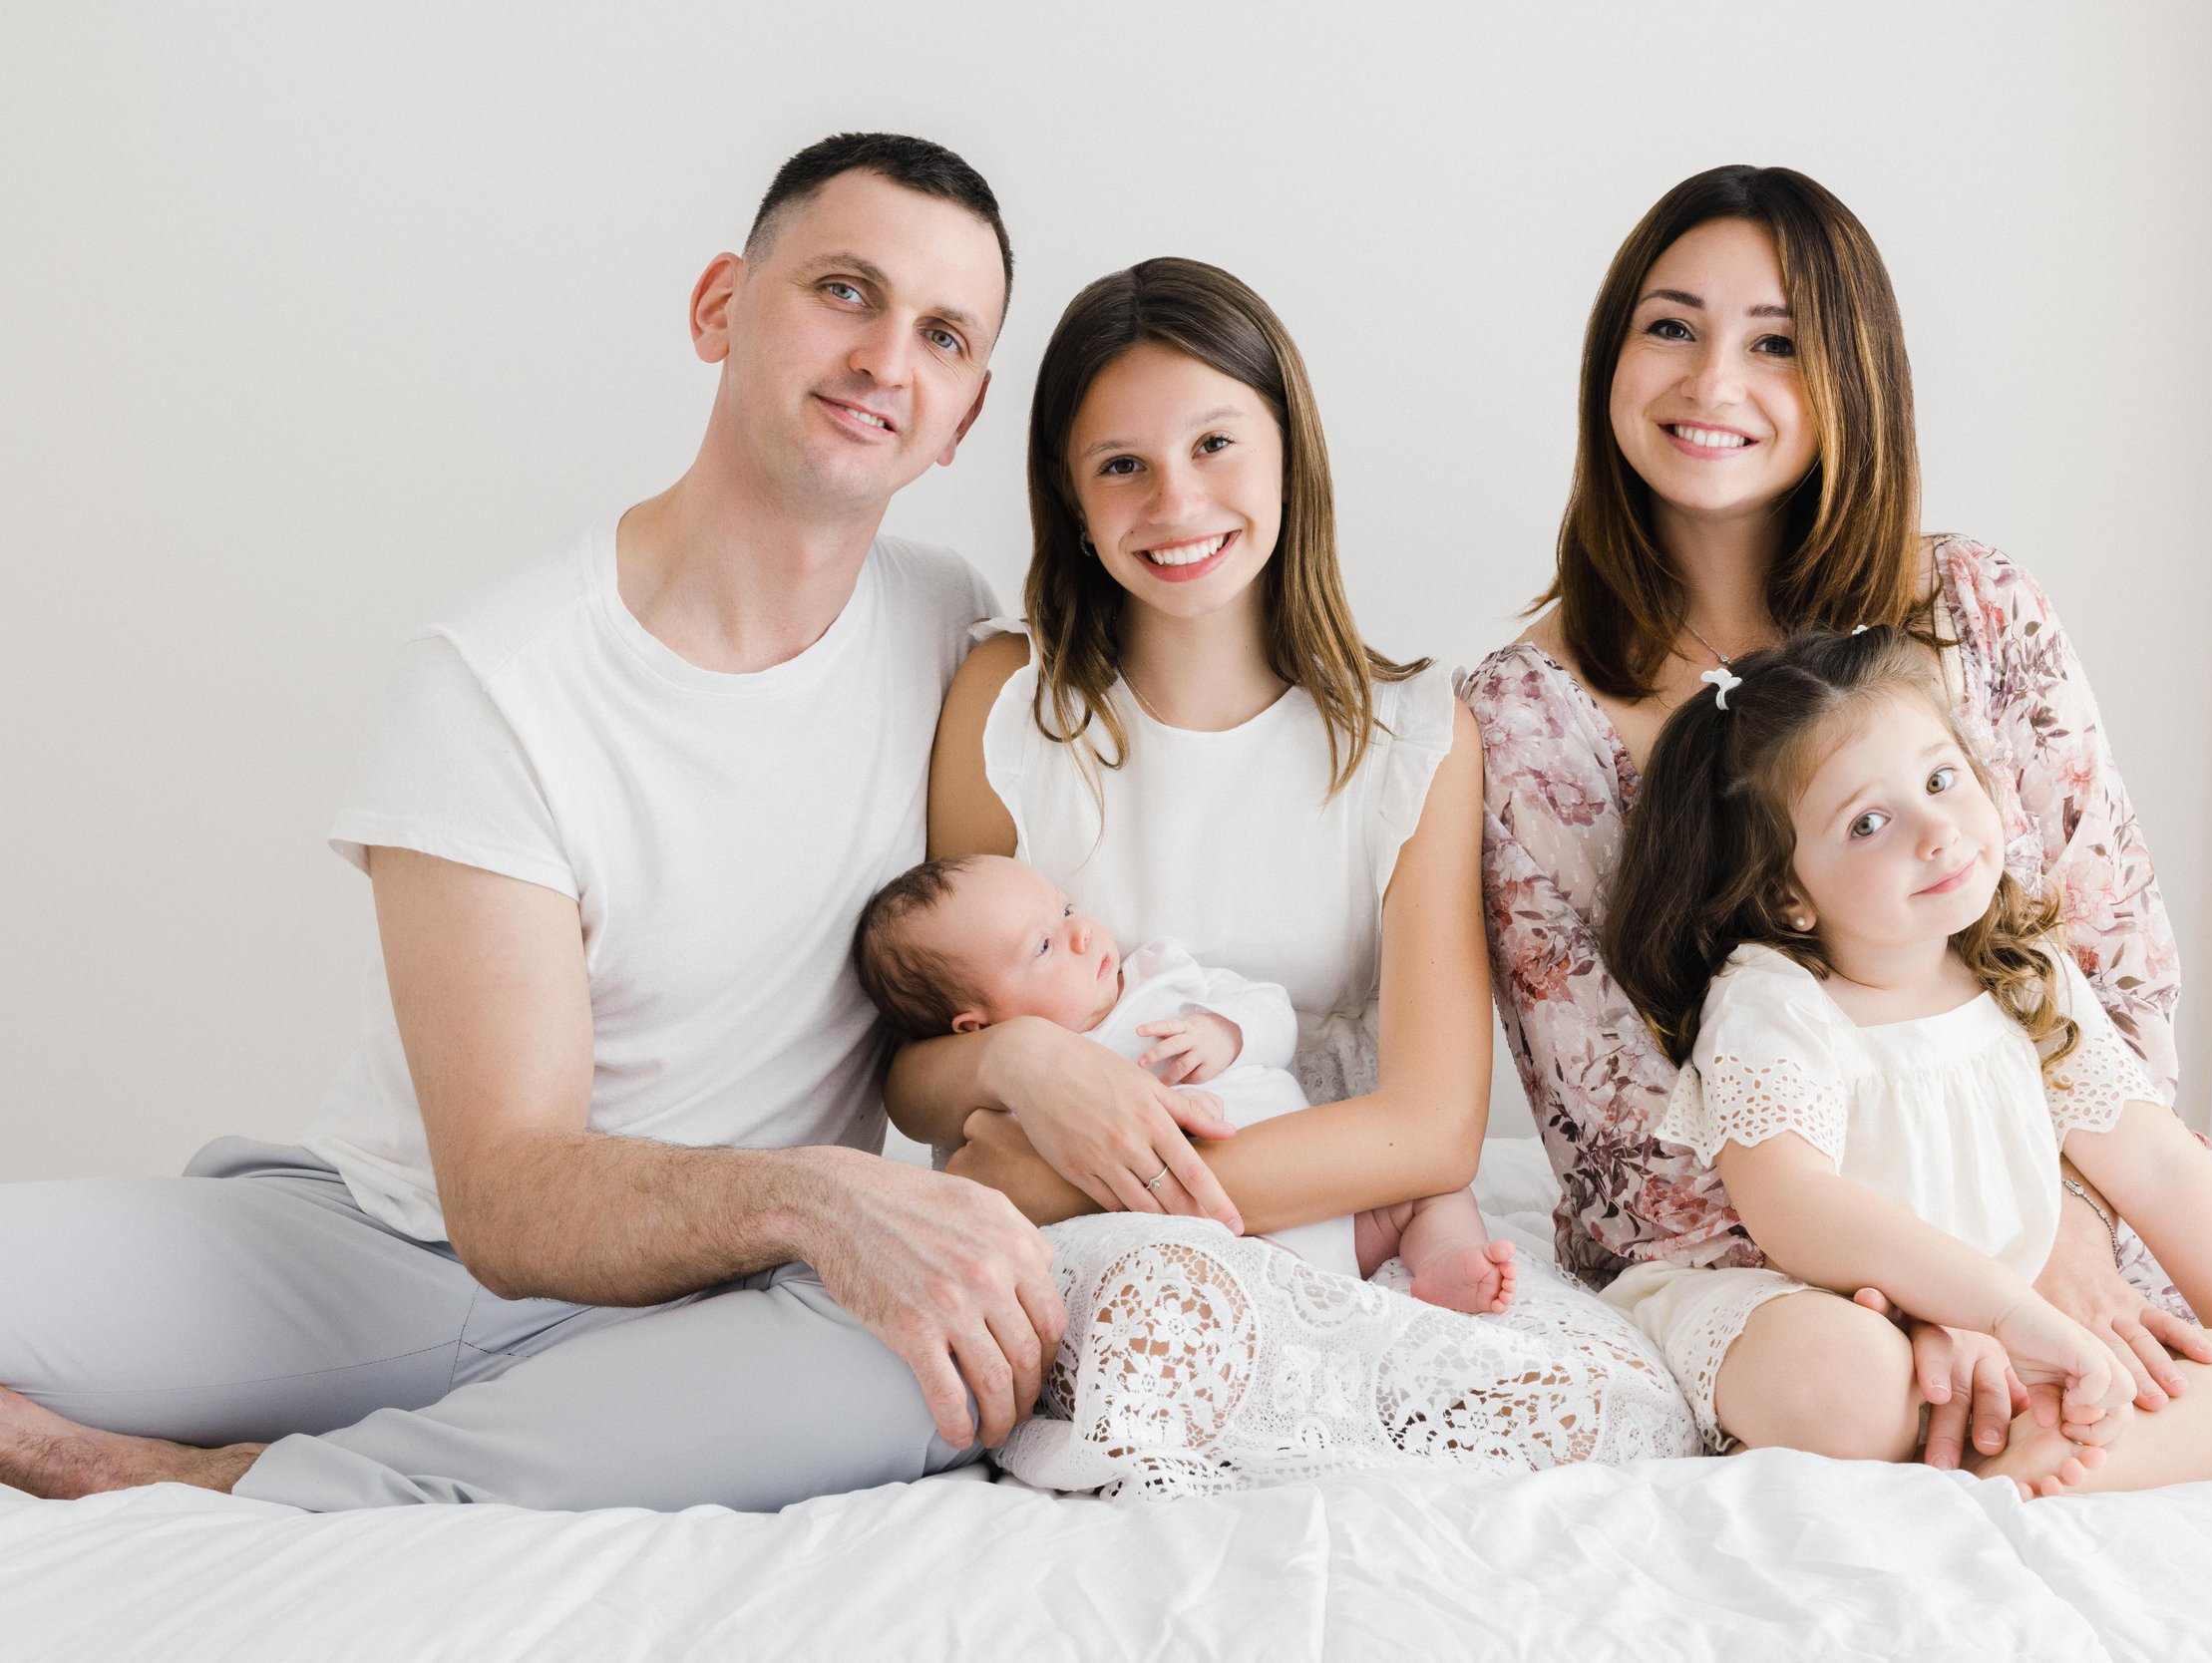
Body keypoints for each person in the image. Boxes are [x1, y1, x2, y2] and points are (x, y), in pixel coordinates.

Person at [0, 133, 1070, 1511]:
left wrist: (1041, 1075)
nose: (886, 361)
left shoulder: (950, 631)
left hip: (724, 1308)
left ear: (966, 415)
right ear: (721, 308)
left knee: (944, 1377)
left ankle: (239, 1484)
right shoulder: (498, 679)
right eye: (844, 291)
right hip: (383, 1257)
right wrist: (821, 1197)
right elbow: (507, 1197)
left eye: (942, 334)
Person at [1465, 163, 2212, 1476]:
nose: (1713, 381)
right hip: (1794, 1257)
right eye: (1670, 326)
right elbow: (1614, 1145)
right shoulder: (1520, 720)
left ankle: (2148, 1425)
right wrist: (1934, 1295)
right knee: (1869, 1387)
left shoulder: (1976, 608)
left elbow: (2112, 975)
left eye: (1777, 342)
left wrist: (2063, 1231)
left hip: (2052, 1177)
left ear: (1854, 376)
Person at [887, 256, 1691, 1496]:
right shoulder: (1008, 702)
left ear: (1288, 454)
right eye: (1121, 465)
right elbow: (922, 1072)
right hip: (1095, 1249)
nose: (1176, 501)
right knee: (1162, 1317)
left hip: (1338, 1223)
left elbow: (1431, 1122)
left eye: (1215, 443)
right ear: (1069, 492)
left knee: (1590, 1403)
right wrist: (1013, 1069)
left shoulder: (1414, 737)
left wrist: (1063, 1169)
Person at [1602, 626, 2212, 1495]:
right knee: (1843, 1381)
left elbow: (2156, 1163)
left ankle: (2052, 1467)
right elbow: (1795, 1208)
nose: (1935, 832)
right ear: (1786, 893)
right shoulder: (1772, 999)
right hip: (1839, 1314)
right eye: (1868, 823)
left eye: (1940, 779)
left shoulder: (2026, 975)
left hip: (2016, 1336)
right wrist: (1995, 1310)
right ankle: (2031, 1452)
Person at [854, 851, 1519, 1313]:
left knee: (1433, 1190)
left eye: (1065, 911)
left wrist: (1226, 1032)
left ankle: (1445, 1267)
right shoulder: (1039, 1078)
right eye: (1044, 948)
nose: (1082, 935)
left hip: (1336, 1204)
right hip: (1203, 1245)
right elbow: (1037, 1168)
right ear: (976, 1026)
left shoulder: (1162, 975)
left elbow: (1271, 1012)